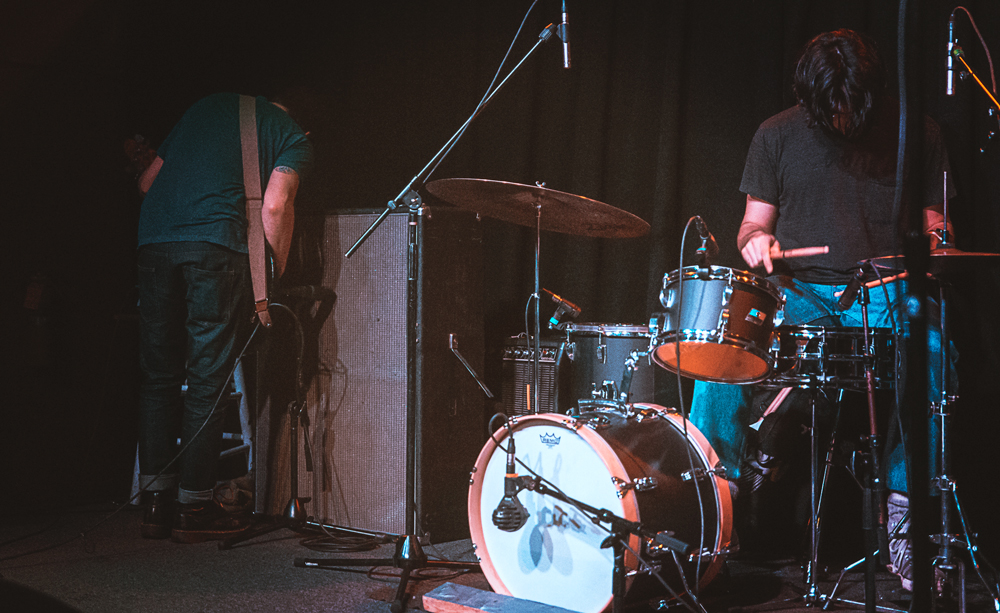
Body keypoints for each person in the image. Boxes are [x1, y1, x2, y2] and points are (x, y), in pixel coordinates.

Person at [688, 29, 954, 590]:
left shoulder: (917, 132)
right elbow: (752, 224)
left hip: (883, 288)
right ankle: (717, 506)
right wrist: (757, 241)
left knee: (933, 347)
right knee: (722, 346)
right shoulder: (776, 134)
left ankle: (905, 515)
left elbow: (935, 226)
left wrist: (940, 238)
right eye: (829, 107)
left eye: (851, 106)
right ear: (810, 99)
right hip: (800, 293)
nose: (842, 118)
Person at [135, 92, 313, 543]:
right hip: (214, 246)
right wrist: (274, 274)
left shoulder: (200, 109)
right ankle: (193, 506)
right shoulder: (291, 136)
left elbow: (146, 183)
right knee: (207, 379)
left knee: (158, 375)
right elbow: (275, 206)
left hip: (154, 241)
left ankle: (155, 504)